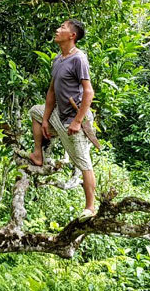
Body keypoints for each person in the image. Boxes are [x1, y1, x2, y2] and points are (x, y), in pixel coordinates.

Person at [28, 19, 96, 218]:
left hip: (75, 120)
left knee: (83, 162)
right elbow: (51, 92)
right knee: (35, 111)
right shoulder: (58, 59)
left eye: (63, 28)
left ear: (72, 36)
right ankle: (38, 154)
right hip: (59, 115)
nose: (58, 30)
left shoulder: (79, 59)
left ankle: (90, 208)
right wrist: (47, 119)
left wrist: (77, 122)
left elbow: (88, 92)